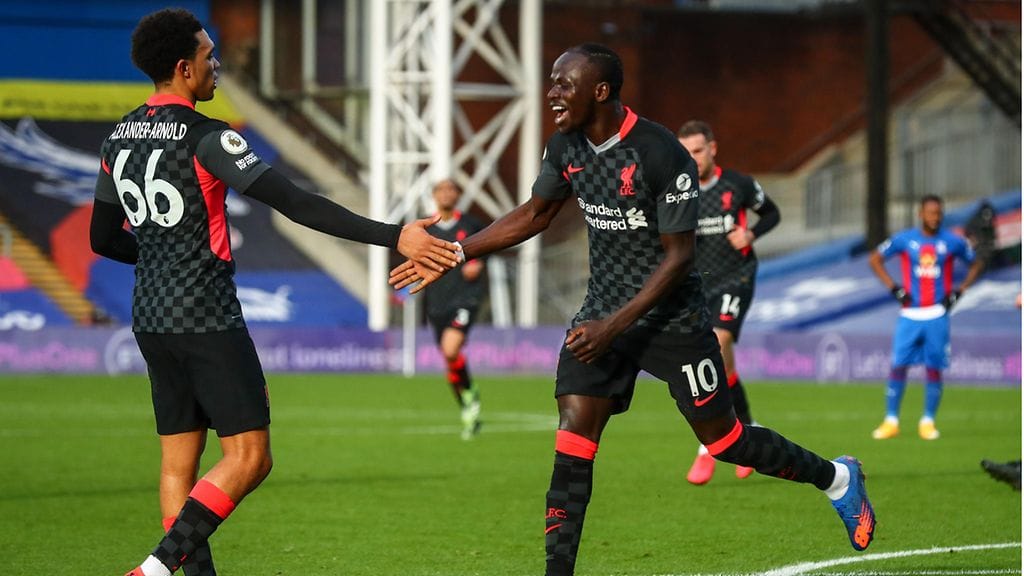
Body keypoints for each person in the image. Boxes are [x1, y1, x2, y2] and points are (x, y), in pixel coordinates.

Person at [391, 43, 876, 575]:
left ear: (600, 91)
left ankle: (837, 479)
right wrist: (455, 252)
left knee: (726, 441)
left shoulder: (660, 152)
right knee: (573, 440)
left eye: (564, 84)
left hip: (672, 320)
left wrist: (613, 327)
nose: (552, 93)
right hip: (601, 314)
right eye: (553, 82)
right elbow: (534, 214)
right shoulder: (565, 145)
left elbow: (678, 259)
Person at [90, 9, 458, 576]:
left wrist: (162, 258)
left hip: (151, 316)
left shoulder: (118, 137)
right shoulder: (208, 137)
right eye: (209, 56)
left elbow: (102, 238)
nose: (217, 65)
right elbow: (296, 203)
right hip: (205, 315)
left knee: (177, 467)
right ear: (184, 68)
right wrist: (394, 236)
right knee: (250, 457)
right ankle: (153, 571)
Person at [676, 120, 780, 485]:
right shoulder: (679, 191)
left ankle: (708, 445)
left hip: (737, 277)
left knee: (718, 341)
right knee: (718, 363)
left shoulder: (738, 185)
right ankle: (748, 427)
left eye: (698, 151)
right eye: (685, 152)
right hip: (698, 284)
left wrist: (751, 233)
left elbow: (773, 213)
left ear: (713, 149)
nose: (692, 158)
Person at [868, 194, 984, 441]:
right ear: (920, 214)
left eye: (938, 213)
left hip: (937, 314)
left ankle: (928, 421)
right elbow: (875, 259)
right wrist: (894, 288)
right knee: (899, 365)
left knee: (934, 367)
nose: (935, 217)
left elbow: (976, 263)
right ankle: (891, 420)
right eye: (931, 213)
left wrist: (960, 291)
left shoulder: (952, 241)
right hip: (910, 314)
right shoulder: (904, 239)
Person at [423, 179, 487, 439]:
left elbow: (489, 244)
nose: (447, 194)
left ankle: (469, 398)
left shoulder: (471, 225)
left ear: (458, 195)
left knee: (451, 349)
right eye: (442, 190)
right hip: (437, 301)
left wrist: (479, 261)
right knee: (450, 358)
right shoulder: (426, 228)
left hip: (465, 298)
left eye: (452, 189)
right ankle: (468, 402)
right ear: (434, 195)